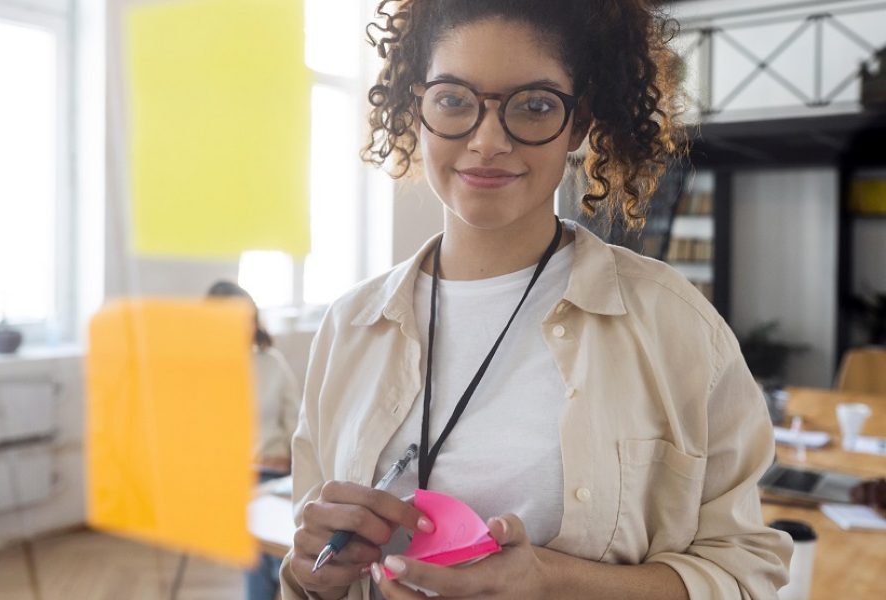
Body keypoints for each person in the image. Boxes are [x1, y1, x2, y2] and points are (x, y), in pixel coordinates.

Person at [280, 1, 792, 599]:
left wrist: (553, 582)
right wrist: (310, 573)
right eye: (453, 100)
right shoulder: (350, 329)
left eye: (535, 106)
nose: (488, 140)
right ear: (415, 108)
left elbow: (746, 574)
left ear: (578, 125)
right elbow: (307, 574)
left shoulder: (675, 326)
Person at [206, 281, 301, 600]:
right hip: (236, 480)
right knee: (266, 547)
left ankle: (283, 574)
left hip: (278, 474)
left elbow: (298, 423)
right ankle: (285, 575)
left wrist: (290, 459)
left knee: (289, 527)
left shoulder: (271, 363)